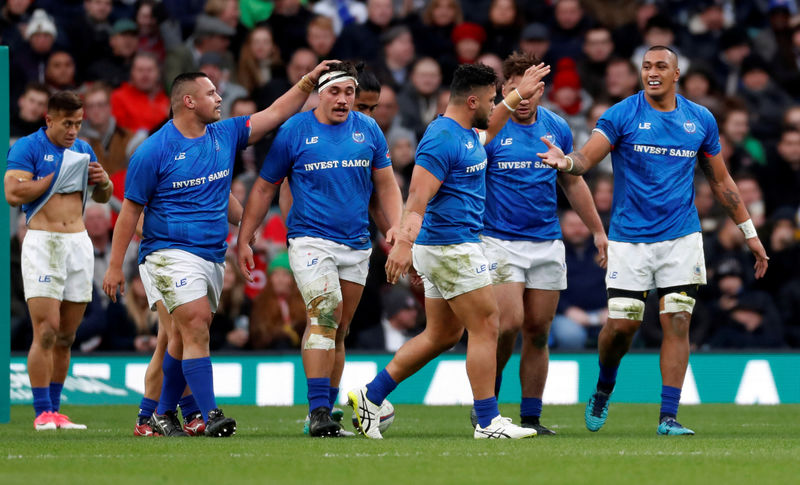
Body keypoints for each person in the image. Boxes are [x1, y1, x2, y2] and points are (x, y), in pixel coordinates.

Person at [537, 46, 769, 436]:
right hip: (629, 240)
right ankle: (604, 386)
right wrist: (567, 162)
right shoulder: (622, 114)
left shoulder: (700, 119)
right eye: (646, 66)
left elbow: (721, 180)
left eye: (661, 66)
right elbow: (588, 158)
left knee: (677, 319)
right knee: (622, 328)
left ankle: (668, 417)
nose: (652, 72)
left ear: (677, 73)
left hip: (681, 236)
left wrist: (750, 233)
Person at [103, 59, 335, 438]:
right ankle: (208, 414)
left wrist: (309, 79)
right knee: (193, 325)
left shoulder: (224, 135)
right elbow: (129, 212)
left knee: (178, 337)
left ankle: (158, 414)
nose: (219, 97)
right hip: (166, 253)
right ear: (189, 101)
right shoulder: (153, 150)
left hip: (210, 254)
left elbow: (275, 113)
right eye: (211, 92)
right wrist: (115, 267)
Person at [347, 61, 550, 440]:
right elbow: (418, 197)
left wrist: (518, 94)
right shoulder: (442, 138)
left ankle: (370, 397)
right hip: (450, 247)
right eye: (492, 99)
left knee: (441, 335)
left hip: (449, 246)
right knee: (488, 324)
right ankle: (488, 422)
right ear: (473, 101)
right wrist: (403, 244)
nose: (497, 105)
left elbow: (495, 122)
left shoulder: (466, 133)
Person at [237, 61, 404, 437]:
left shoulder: (369, 130)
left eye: (349, 92)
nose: (343, 99)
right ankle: (316, 413)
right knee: (324, 317)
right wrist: (246, 235)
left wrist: (397, 227)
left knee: (339, 330)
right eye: (335, 91)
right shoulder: (294, 130)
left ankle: (325, 412)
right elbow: (264, 187)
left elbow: (387, 185)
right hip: (310, 239)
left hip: (357, 243)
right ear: (319, 94)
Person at [475, 51, 607, 435]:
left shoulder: (557, 127)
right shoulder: (492, 128)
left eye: (530, 90)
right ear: (503, 90)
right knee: (508, 323)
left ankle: (531, 416)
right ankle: (488, 406)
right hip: (499, 240)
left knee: (538, 330)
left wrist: (598, 230)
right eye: (514, 90)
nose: (523, 98)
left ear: (541, 90)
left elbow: (573, 181)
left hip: (547, 242)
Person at [4, 91, 114, 430]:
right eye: (67, 123)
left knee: (67, 335)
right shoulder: (28, 147)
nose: (73, 131)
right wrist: (56, 177)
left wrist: (104, 182)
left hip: (77, 242)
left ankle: (55, 409)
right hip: (43, 241)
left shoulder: (83, 149)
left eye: (78, 124)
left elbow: (102, 196)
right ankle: (41, 412)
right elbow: (12, 193)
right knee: (46, 329)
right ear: (49, 119)